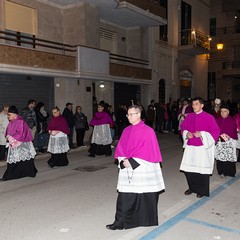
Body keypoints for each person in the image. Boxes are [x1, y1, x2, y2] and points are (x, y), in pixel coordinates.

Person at [106, 105, 165, 230]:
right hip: (128, 166)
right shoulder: (126, 130)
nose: (129, 117)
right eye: (128, 114)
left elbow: (149, 151)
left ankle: (144, 219)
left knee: (143, 195)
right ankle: (119, 222)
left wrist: (132, 162)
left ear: (138, 115)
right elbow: (121, 148)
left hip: (143, 167)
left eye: (131, 114)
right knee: (125, 196)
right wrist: (123, 161)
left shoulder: (148, 131)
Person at [180, 97, 220, 198]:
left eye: (196, 104)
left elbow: (216, 132)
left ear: (202, 105)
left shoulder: (209, 117)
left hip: (202, 148)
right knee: (189, 170)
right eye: (193, 104)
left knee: (201, 171)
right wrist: (186, 133)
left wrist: (202, 134)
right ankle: (192, 188)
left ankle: (201, 190)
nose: (194, 106)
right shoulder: (189, 117)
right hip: (190, 147)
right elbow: (183, 128)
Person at [2, 106, 38, 181]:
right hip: (14, 143)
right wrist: (7, 136)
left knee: (25, 158)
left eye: (9, 114)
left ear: (14, 114)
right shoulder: (11, 122)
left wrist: (11, 137)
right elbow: (8, 131)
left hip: (23, 143)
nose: (8, 116)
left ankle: (26, 172)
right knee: (16, 159)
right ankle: (12, 174)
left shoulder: (20, 122)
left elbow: (21, 133)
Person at [215, 105, 238, 177]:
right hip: (219, 142)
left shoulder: (232, 120)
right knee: (220, 157)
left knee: (228, 157)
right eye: (221, 111)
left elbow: (231, 132)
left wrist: (221, 138)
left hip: (228, 142)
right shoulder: (217, 120)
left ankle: (230, 172)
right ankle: (222, 171)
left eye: (224, 111)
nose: (222, 113)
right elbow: (215, 130)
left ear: (228, 112)